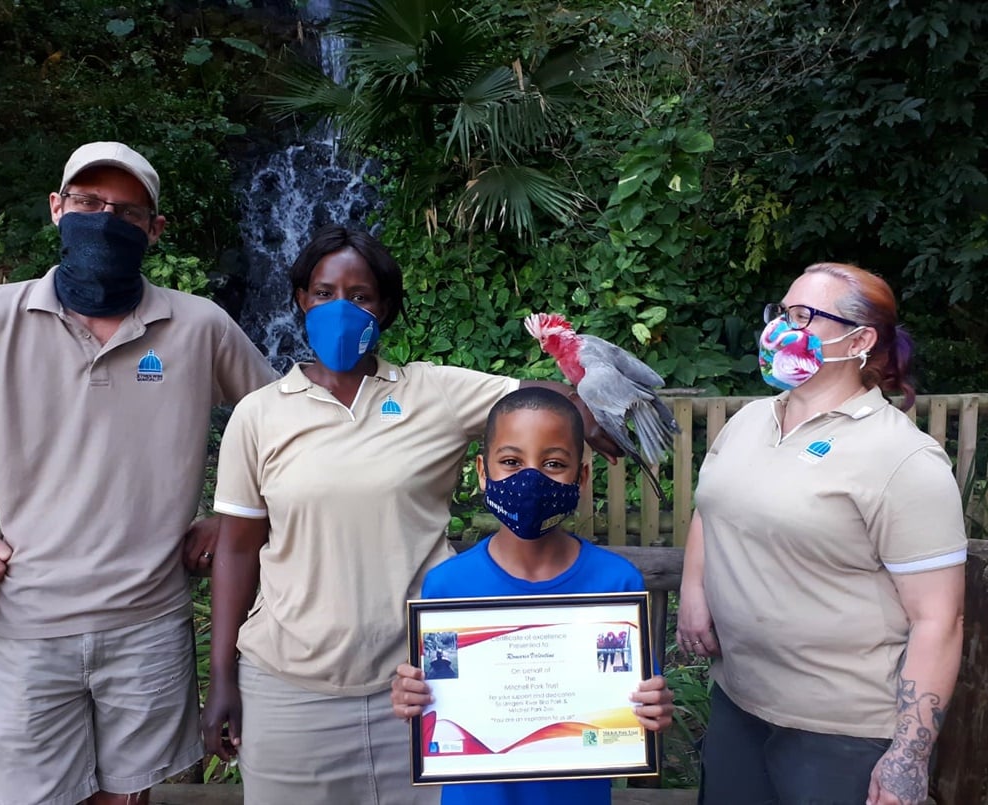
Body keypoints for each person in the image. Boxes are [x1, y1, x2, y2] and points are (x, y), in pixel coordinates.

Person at [200, 226, 622, 805]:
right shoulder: (258, 415)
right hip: (290, 694)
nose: (341, 309)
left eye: (361, 295)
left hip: (426, 688)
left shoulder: (434, 392)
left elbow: (534, 398)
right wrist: (222, 675)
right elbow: (238, 547)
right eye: (324, 293)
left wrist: (588, 412)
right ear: (301, 299)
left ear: (387, 307)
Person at [0, 141, 277, 805]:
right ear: (57, 208)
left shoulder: (199, 327)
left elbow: (287, 429)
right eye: (87, 203)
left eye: (127, 212)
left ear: (155, 230)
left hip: (151, 622)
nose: (104, 219)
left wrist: (235, 515)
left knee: (134, 799)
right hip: (28, 623)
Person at [677, 262, 967, 805]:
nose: (780, 328)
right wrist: (694, 593)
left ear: (859, 340)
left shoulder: (904, 458)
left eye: (805, 316)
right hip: (737, 701)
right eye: (783, 312)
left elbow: (939, 618)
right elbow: (709, 508)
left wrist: (907, 757)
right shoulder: (749, 421)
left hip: (841, 733)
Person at [391, 387, 674, 805]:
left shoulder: (615, 583)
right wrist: (413, 698)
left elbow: (635, 700)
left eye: (554, 463)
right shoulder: (448, 587)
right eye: (510, 462)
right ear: (483, 472)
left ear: (581, 477)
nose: (530, 478)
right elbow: (439, 704)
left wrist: (654, 708)